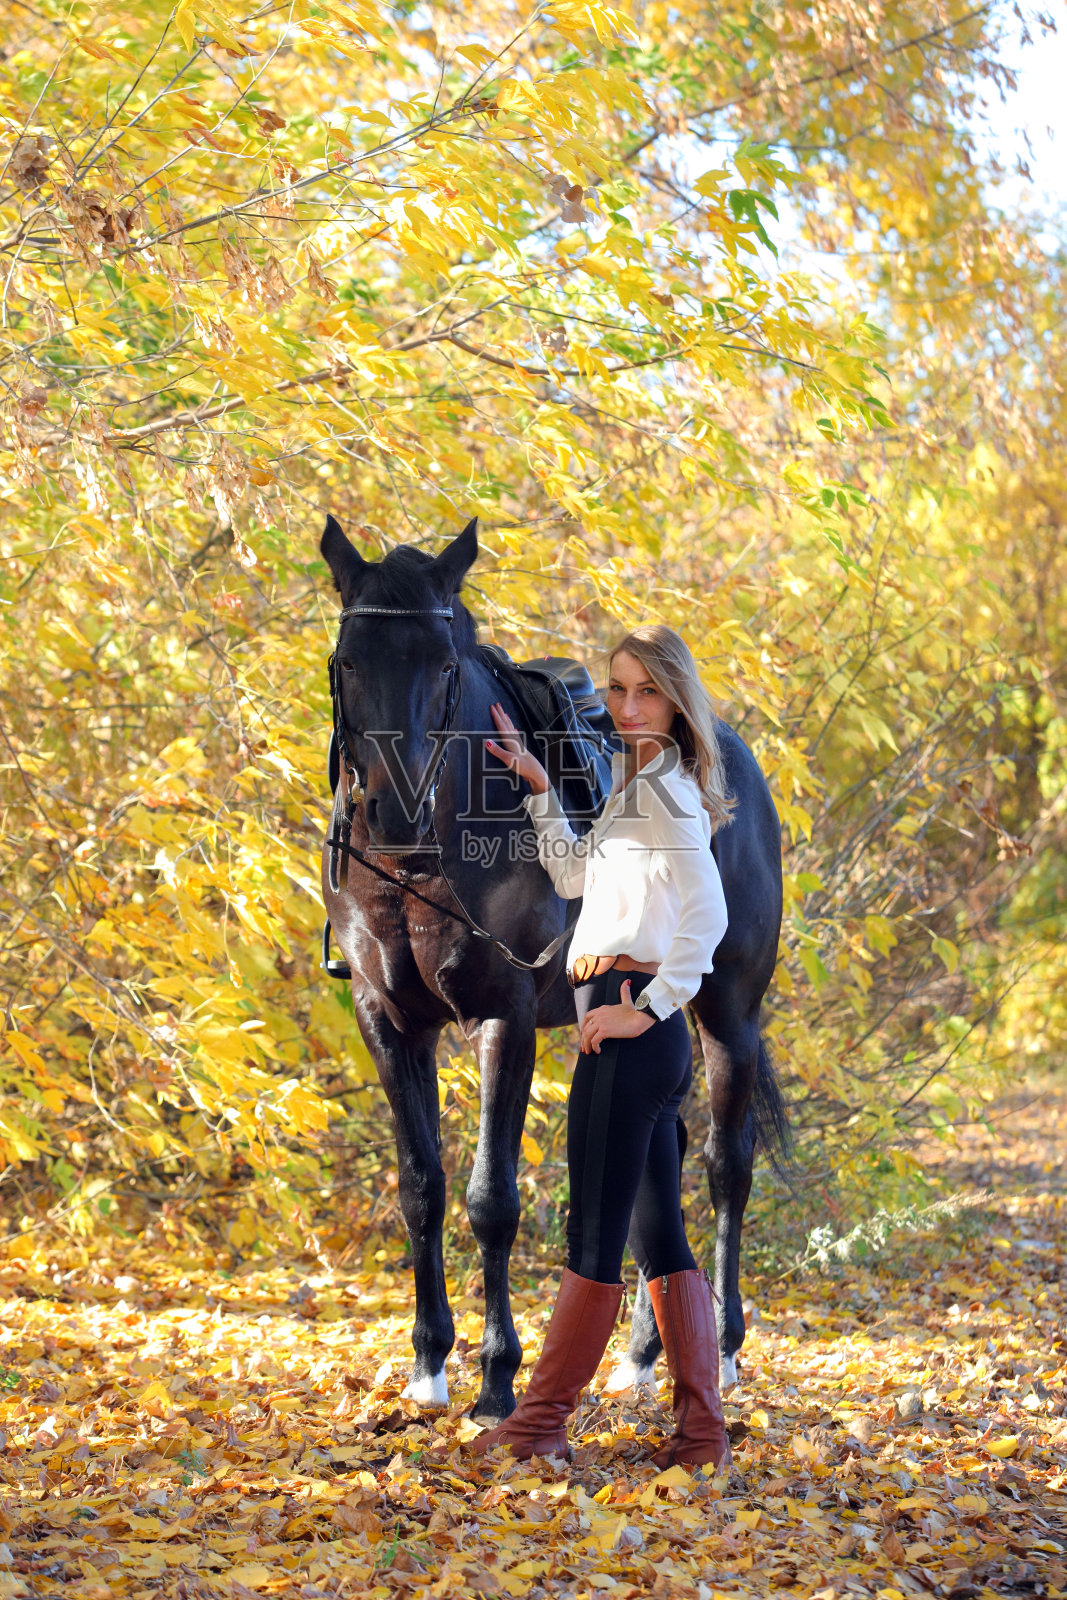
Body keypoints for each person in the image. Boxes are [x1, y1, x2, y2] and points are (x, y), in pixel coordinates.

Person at [472, 624, 734, 1468]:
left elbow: (710, 916)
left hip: (629, 1029)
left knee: (593, 1235)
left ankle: (539, 1426)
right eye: (616, 689)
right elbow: (575, 877)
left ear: (675, 697)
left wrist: (645, 1006)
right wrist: (542, 786)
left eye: (644, 691)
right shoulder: (642, 787)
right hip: (635, 1033)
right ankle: (700, 1435)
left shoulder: (664, 795)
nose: (625, 708)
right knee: (660, 1237)